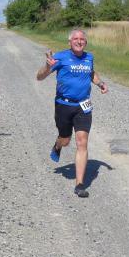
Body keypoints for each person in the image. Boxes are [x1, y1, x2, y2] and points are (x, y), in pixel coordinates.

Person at [36, 29, 108, 198]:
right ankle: (58, 145)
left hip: (83, 105)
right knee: (66, 140)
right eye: (75, 38)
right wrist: (47, 66)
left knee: (82, 142)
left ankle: (79, 184)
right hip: (63, 105)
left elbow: (91, 73)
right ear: (70, 42)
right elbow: (39, 77)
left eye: (82, 39)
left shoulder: (89, 57)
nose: (79, 41)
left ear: (86, 42)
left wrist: (100, 84)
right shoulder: (60, 57)